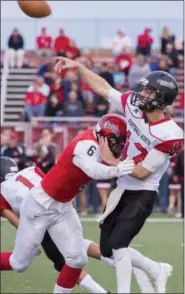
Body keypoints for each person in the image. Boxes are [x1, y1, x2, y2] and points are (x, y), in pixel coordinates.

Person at [54, 57, 184, 293]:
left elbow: (143, 172)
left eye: (148, 92)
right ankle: (156, 269)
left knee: (119, 244)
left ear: (161, 99)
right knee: (106, 250)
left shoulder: (170, 133)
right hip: (122, 187)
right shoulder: (134, 105)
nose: (141, 95)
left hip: (142, 192)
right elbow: (105, 89)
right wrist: (80, 67)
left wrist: (112, 161)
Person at [0, 115, 134, 294]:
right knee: (20, 263)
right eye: (116, 141)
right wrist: (116, 168)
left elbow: (57, 178)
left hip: (57, 206)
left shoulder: (91, 142)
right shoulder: (83, 145)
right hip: (39, 209)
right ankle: (111, 264)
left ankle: (110, 267)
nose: (119, 146)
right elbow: (91, 170)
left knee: (76, 258)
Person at [0, 156, 173, 294]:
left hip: (42, 216)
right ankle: (154, 267)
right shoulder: (31, 170)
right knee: (84, 249)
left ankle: (102, 291)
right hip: (60, 206)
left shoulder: (3, 190)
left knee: (63, 261)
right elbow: (51, 183)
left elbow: (17, 221)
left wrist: (29, 238)